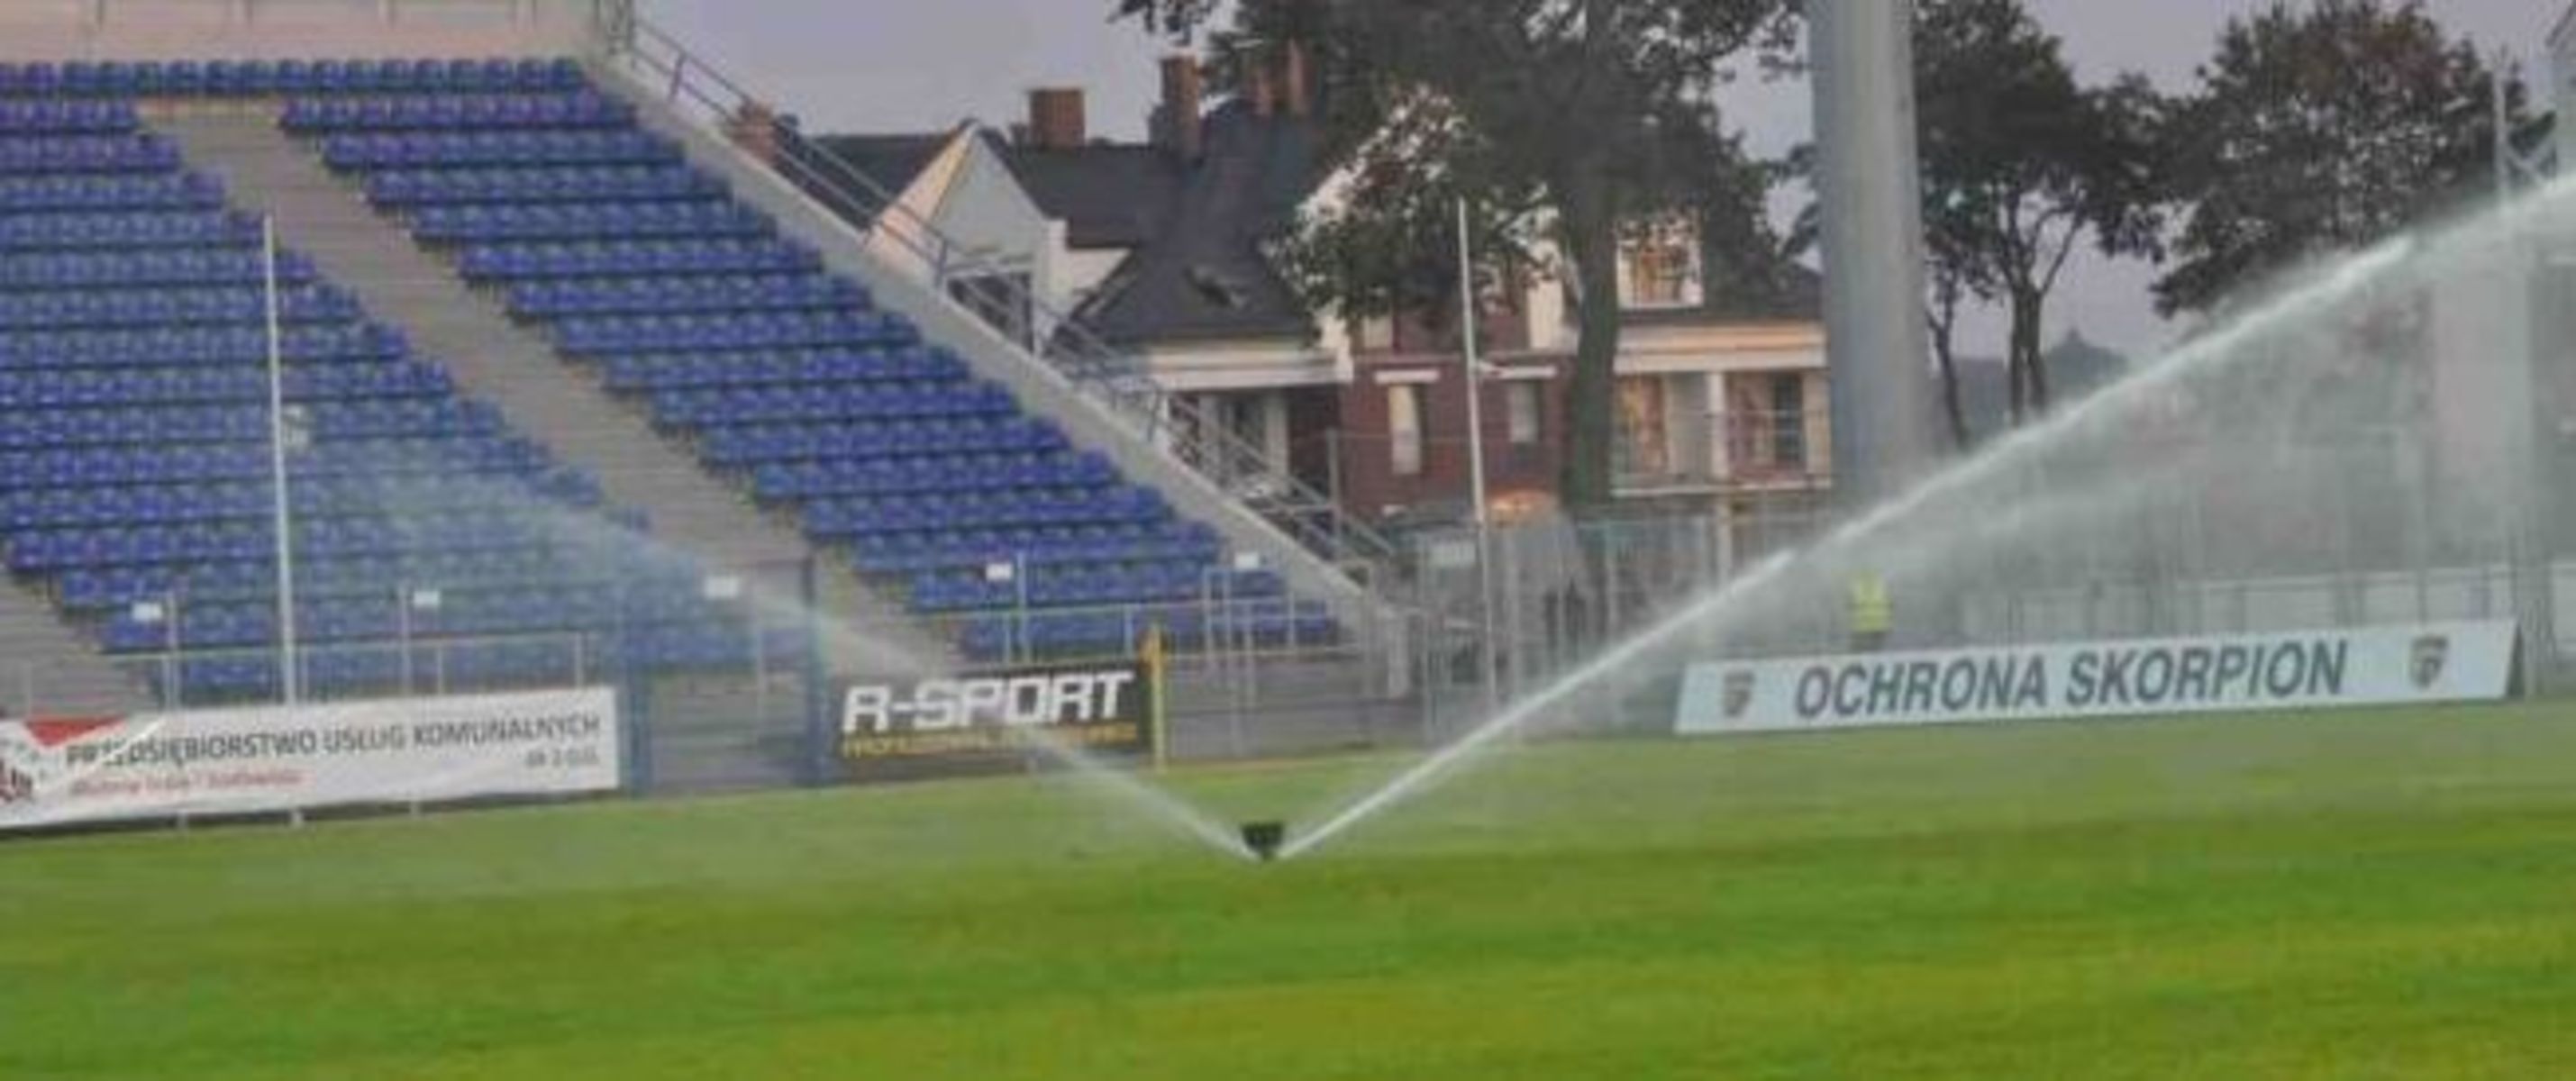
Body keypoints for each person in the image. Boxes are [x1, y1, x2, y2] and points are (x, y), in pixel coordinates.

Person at [1847, 569, 1891, 652]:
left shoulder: (1856, 583)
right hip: (1874, 626)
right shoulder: (1881, 582)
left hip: (1864, 627)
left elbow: (1849, 605)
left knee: (1864, 652)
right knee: (1875, 651)